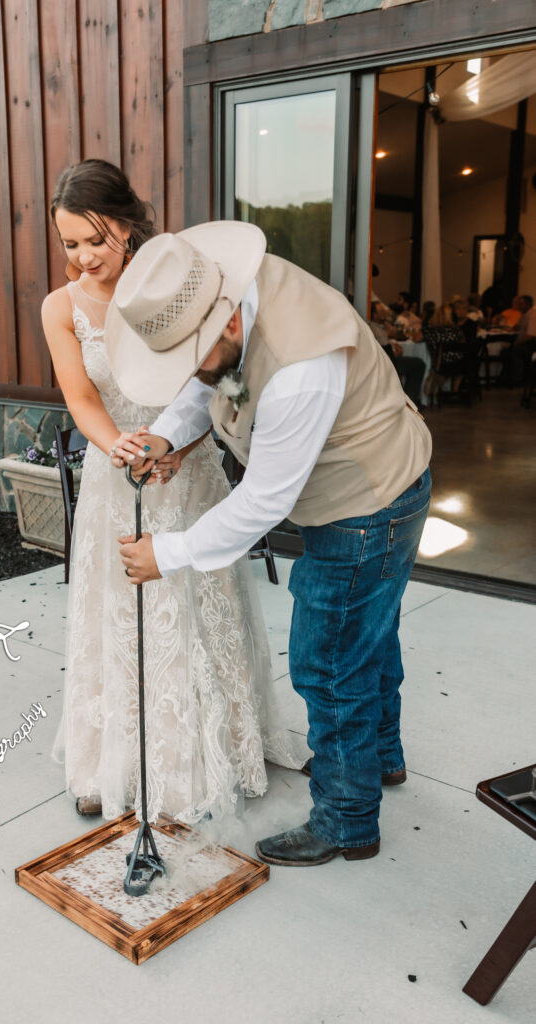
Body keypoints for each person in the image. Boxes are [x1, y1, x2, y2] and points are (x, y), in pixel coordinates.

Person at [107, 223, 432, 866]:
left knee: (329, 659)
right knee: (369, 634)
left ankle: (346, 820)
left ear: (224, 326)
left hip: (368, 502)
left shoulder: (300, 366)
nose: (184, 375)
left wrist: (166, 554)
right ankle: (377, 759)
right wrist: (164, 437)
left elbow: (264, 501)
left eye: (187, 357)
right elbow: (213, 384)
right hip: (375, 486)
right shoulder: (223, 308)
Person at [41, 162, 296, 826]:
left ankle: (199, 762)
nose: (84, 257)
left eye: (94, 239)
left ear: (125, 225)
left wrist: (177, 448)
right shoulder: (59, 308)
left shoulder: (173, 282)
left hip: (186, 466)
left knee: (194, 609)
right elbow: (80, 396)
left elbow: (216, 380)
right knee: (119, 618)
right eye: (70, 244)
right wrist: (114, 445)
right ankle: (108, 763)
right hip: (114, 470)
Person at [369, 300, 425, 404]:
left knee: (416, 363)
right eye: (381, 311)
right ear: (375, 314)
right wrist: (397, 352)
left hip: (389, 358)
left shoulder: (379, 326)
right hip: (388, 361)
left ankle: (408, 397)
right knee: (418, 364)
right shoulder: (375, 328)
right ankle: (409, 400)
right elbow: (384, 353)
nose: (385, 313)